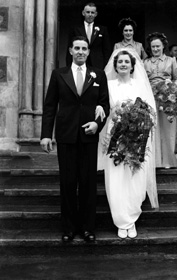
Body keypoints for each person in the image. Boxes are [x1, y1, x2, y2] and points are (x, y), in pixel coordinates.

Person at [40, 36, 110, 243]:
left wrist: (98, 124)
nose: (80, 51)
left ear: (89, 52)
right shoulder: (58, 74)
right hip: (66, 136)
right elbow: (50, 106)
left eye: (84, 48)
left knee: (88, 184)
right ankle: (69, 228)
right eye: (76, 48)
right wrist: (46, 134)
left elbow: (105, 104)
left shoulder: (99, 74)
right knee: (68, 183)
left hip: (89, 137)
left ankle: (88, 228)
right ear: (70, 50)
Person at [99, 49, 158, 239]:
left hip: (137, 136)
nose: (123, 64)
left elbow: (150, 112)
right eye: (120, 62)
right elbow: (103, 106)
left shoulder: (140, 84)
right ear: (115, 66)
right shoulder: (108, 85)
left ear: (133, 66)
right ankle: (120, 220)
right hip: (115, 135)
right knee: (116, 178)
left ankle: (131, 218)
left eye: (126, 61)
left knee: (134, 177)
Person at [144, 32, 177, 168]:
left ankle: (169, 160)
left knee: (168, 130)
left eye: (158, 46)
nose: (155, 49)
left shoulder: (171, 60)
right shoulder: (145, 62)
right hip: (151, 97)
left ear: (163, 46)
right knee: (154, 128)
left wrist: (173, 88)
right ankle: (155, 161)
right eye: (153, 47)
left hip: (167, 98)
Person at [66, 2, 111, 69]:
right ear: (83, 13)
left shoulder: (103, 29)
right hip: (80, 62)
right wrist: (69, 66)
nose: (90, 15)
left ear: (96, 14)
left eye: (92, 13)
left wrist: (105, 66)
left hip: (98, 65)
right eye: (88, 12)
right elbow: (70, 48)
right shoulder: (75, 29)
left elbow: (106, 50)